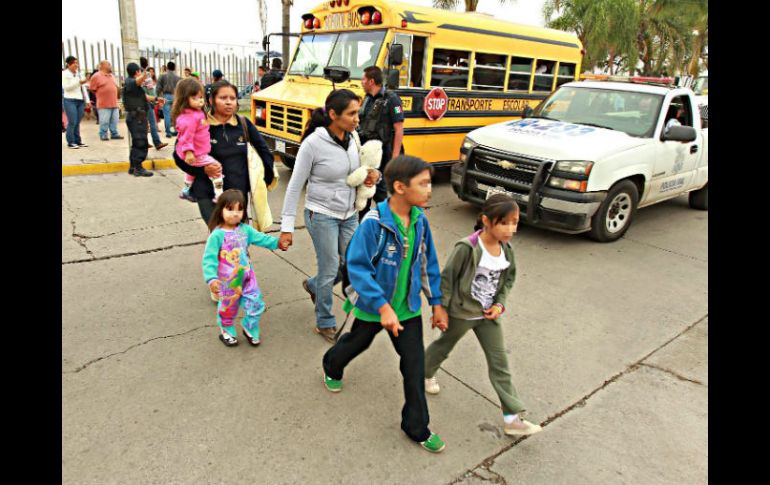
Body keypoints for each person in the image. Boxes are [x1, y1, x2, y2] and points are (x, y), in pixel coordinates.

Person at [321, 155, 449, 453]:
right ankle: (331, 364)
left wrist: (437, 303)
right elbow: (358, 267)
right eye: (424, 183)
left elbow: (427, 263)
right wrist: (381, 307)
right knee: (357, 343)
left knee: (415, 367)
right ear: (400, 187)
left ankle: (416, 426)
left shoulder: (420, 220)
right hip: (373, 306)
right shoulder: (373, 223)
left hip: (407, 308)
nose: (430, 189)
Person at [423, 194, 543, 437]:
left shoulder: (507, 250)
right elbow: (447, 279)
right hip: (463, 312)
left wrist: (499, 304)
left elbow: (508, 280)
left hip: (488, 316)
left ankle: (512, 418)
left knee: (500, 364)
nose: (511, 229)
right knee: (444, 345)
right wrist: (441, 309)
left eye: (515, 222)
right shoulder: (466, 248)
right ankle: (423, 373)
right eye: (504, 223)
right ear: (487, 221)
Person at [278, 89, 380, 342]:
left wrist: (373, 176)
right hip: (321, 214)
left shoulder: (354, 138)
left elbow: (361, 171)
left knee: (351, 263)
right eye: (352, 113)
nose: (357, 118)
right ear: (333, 115)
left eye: (358, 112)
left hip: (350, 214)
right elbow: (294, 186)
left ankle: (313, 286)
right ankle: (325, 320)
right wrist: (287, 227)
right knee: (330, 268)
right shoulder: (313, 144)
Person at [173, 80, 275, 226]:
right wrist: (202, 170)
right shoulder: (198, 123)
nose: (229, 102)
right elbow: (178, 156)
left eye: (232, 98)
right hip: (207, 193)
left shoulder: (243, 124)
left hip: (238, 195)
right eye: (223, 98)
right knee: (221, 236)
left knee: (239, 241)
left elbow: (264, 151)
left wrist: (266, 179)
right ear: (211, 100)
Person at [202, 189, 287, 347]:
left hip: (248, 278)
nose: (235, 213)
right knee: (228, 307)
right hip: (227, 282)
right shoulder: (217, 235)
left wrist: (277, 243)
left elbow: (261, 238)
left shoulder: (245, 230)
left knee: (256, 304)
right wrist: (211, 278)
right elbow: (209, 259)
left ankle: (250, 327)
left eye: (239, 209)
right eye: (230, 209)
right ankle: (226, 329)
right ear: (220, 209)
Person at [358, 66, 405, 216]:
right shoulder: (367, 98)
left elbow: (399, 128)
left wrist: (395, 157)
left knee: (381, 191)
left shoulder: (392, 100)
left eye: (363, 79)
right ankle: (364, 222)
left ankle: (385, 222)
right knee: (364, 187)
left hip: (383, 153)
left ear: (371, 81)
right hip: (366, 151)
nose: (361, 82)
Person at [172, 78, 225, 202]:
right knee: (216, 168)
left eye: (201, 97)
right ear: (185, 99)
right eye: (194, 98)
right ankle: (219, 195)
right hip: (196, 153)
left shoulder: (196, 113)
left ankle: (185, 191)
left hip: (197, 152)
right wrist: (189, 152)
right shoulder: (189, 118)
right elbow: (186, 137)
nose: (200, 101)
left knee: (192, 172)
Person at [123, 62, 154, 177]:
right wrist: (144, 74)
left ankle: (133, 167)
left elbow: (145, 97)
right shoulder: (130, 82)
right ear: (137, 72)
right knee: (141, 141)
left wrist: (157, 99)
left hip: (138, 117)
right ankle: (138, 168)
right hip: (136, 117)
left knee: (137, 142)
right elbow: (137, 81)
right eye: (139, 72)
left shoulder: (135, 87)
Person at [89, 60, 123, 141]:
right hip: (103, 103)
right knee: (104, 120)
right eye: (109, 64)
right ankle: (103, 134)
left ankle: (114, 134)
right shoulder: (96, 76)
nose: (110, 66)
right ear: (102, 66)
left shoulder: (112, 75)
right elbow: (92, 89)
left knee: (114, 119)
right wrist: (101, 95)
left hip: (114, 103)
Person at [139, 58, 168, 150]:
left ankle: (144, 142)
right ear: (146, 64)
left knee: (143, 123)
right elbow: (150, 89)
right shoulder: (145, 74)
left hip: (140, 101)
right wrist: (155, 100)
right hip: (147, 101)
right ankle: (157, 142)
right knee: (152, 122)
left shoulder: (136, 74)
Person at [61, 56, 89, 149]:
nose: (76, 65)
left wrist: (87, 100)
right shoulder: (64, 74)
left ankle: (78, 141)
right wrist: (79, 82)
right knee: (72, 121)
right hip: (69, 100)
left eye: (77, 63)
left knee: (77, 121)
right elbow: (66, 87)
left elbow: (83, 87)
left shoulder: (79, 74)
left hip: (80, 100)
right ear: (68, 64)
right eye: (74, 63)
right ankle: (71, 142)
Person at [157, 61, 181, 138]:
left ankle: (168, 132)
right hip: (175, 96)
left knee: (166, 114)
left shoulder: (162, 76)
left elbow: (158, 88)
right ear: (174, 68)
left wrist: (158, 97)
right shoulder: (178, 77)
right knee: (175, 114)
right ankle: (176, 130)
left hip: (166, 96)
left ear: (167, 68)